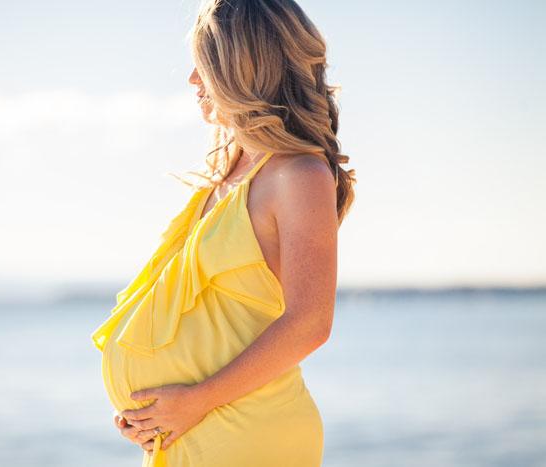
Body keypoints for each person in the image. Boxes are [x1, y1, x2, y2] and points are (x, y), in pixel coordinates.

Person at [91, 0, 356, 465]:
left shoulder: (299, 175)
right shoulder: (231, 171)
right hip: (197, 432)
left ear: (241, 69)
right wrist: (151, 415)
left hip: (248, 435)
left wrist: (194, 401)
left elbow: (311, 323)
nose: (193, 80)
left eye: (204, 65)